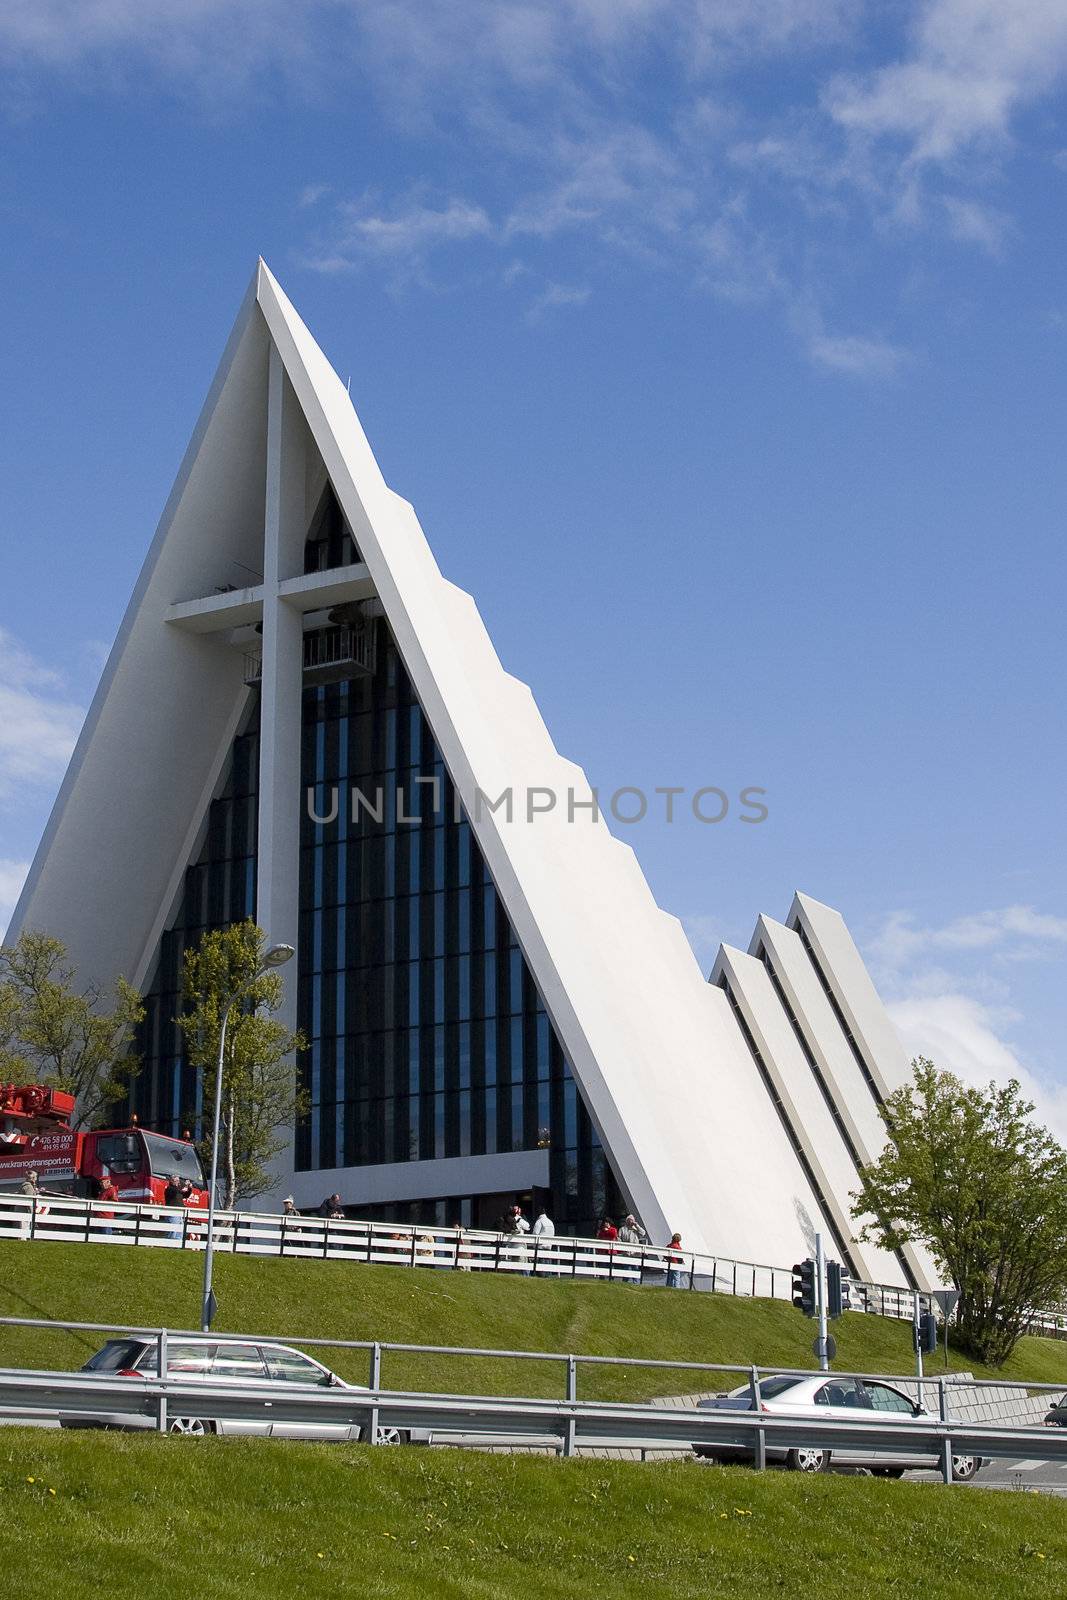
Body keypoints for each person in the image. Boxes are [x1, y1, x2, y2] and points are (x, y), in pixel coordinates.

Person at [97, 1167, 119, 1238]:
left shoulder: (111, 1190)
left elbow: (114, 1201)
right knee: (99, 1235)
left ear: (108, 1182)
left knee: (105, 1235)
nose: (101, 1184)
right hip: (101, 1216)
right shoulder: (103, 1191)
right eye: (100, 1182)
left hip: (106, 1216)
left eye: (102, 1182)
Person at [164, 1172, 185, 1243]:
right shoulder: (169, 1189)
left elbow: (186, 1194)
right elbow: (175, 1191)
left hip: (180, 1213)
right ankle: (168, 1246)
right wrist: (182, 1187)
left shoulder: (178, 1190)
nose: (177, 1182)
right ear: (171, 1181)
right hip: (172, 1213)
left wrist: (189, 1188)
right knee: (172, 1232)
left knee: (179, 1233)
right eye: (176, 1181)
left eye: (178, 1181)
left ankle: (177, 1248)